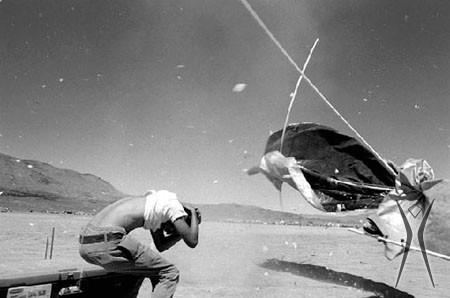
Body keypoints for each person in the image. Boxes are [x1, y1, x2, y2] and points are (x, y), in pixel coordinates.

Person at [79, 190, 201, 298]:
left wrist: (181, 233)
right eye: (173, 228)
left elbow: (161, 245)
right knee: (169, 272)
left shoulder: (156, 202)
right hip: (109, 240)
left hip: (86, 243)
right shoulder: (173, 206)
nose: (168, 232)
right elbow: (192, 241)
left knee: (141, 269)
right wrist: (194, 215)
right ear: (182, 217)